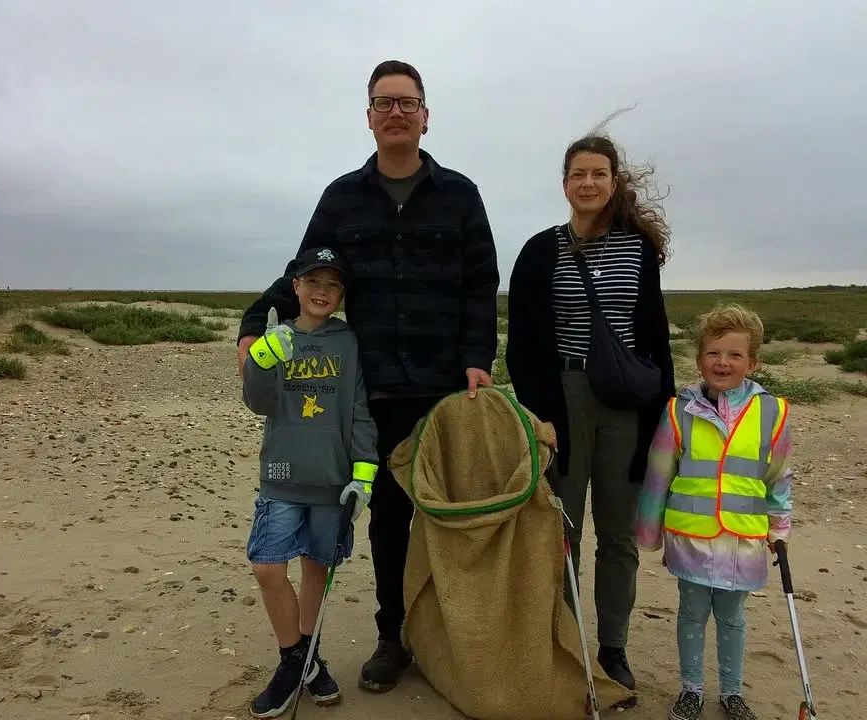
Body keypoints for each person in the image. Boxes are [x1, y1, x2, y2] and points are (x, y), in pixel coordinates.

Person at [236, 60, 500, 693]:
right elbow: (303, 270)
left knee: (448, 513)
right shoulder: (342, 197)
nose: (396, 113)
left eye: (407, 103)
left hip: (446, 386)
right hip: (374, 386)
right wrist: (252, 321)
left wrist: (478, 359)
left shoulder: (460, 194)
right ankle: (392, 638)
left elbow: (480, 284)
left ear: (426, 116)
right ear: (370, 117)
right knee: (387, 519)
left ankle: (453, 634)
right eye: (385, 103)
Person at [504, 131, 676, 690]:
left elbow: (654, 338)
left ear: (613, 181)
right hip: (564, 398)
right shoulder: (540, 251)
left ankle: (612, 647)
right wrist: (540, 416)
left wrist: (660, 421)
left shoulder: (637, 250)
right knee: (563, 530)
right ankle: (567, 641)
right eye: (578, 174)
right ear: (564, 184)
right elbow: (522, 346)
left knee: (618, 536)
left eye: (598, 173)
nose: (588, 183)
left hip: (626, 403)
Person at [635, 304, 794, 720]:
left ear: (752, 362)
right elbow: (658, 473)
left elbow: (779, 476)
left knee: (732, 616)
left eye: (735, 355)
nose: (723, 362)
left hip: (743, 536)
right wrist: (648, 531)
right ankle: (691, 688)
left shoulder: (772, 413)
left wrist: (779, 527)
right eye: (713, 353)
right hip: (691, 534)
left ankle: (732, 692)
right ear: (699, 358)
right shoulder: (678, 410)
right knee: (691, 613)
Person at [241, 245, 380, 717]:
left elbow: (359, 411)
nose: (322, 292)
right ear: (296, 286)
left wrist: (364, 475)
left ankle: (306, 658)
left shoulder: (349, 342)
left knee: (316, 569)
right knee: (267, 569)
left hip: (332, 481)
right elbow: (258, 403)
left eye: (332, 285)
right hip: (282, 476)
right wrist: (262, 357)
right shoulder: (277, 337)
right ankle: (296, 660)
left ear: (341, 294)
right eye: (313, 282)